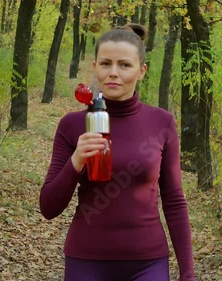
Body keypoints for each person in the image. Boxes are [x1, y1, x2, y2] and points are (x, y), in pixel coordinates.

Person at [40, 23, 196, 281]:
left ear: (141, 71)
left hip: (148, 264)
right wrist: (76, 160)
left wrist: (187, 274)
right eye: (105, 64)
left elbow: (174, 200)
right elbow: (48, 207)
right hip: (86, 261)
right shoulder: (72, 124)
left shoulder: (161, 122)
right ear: (95, 68)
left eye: (124, 65)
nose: (114, 73)